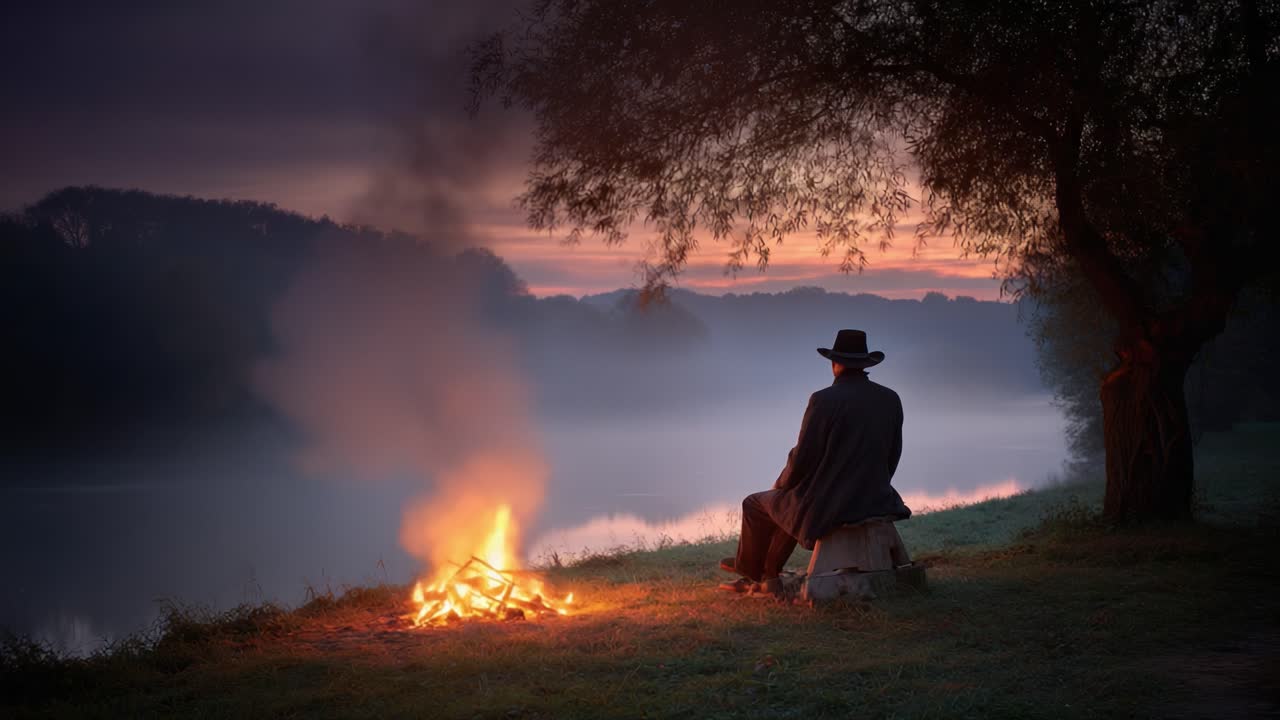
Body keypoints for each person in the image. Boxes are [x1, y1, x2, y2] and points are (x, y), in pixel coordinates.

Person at [719, 329, 911, 594]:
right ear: (865, 364)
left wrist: (782, 483)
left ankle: (753, 572)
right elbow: (893, 454)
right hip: (878, 496)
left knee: (756, 503)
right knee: (792, 502)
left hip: (832, 503)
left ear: (835, 364)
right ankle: (766, 572)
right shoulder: (890, 398)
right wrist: (874, 485)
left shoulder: (823, 400)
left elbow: (803, 457)